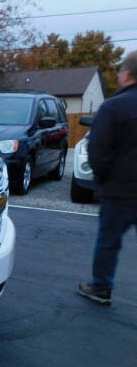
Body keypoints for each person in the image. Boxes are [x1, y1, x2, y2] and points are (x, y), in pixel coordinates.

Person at [78, 51, 137, 304]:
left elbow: (97, 150)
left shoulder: (113, 107)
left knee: (109, 242)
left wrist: (102, 180)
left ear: (126, 75)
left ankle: (101, 288)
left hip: (120, 191)